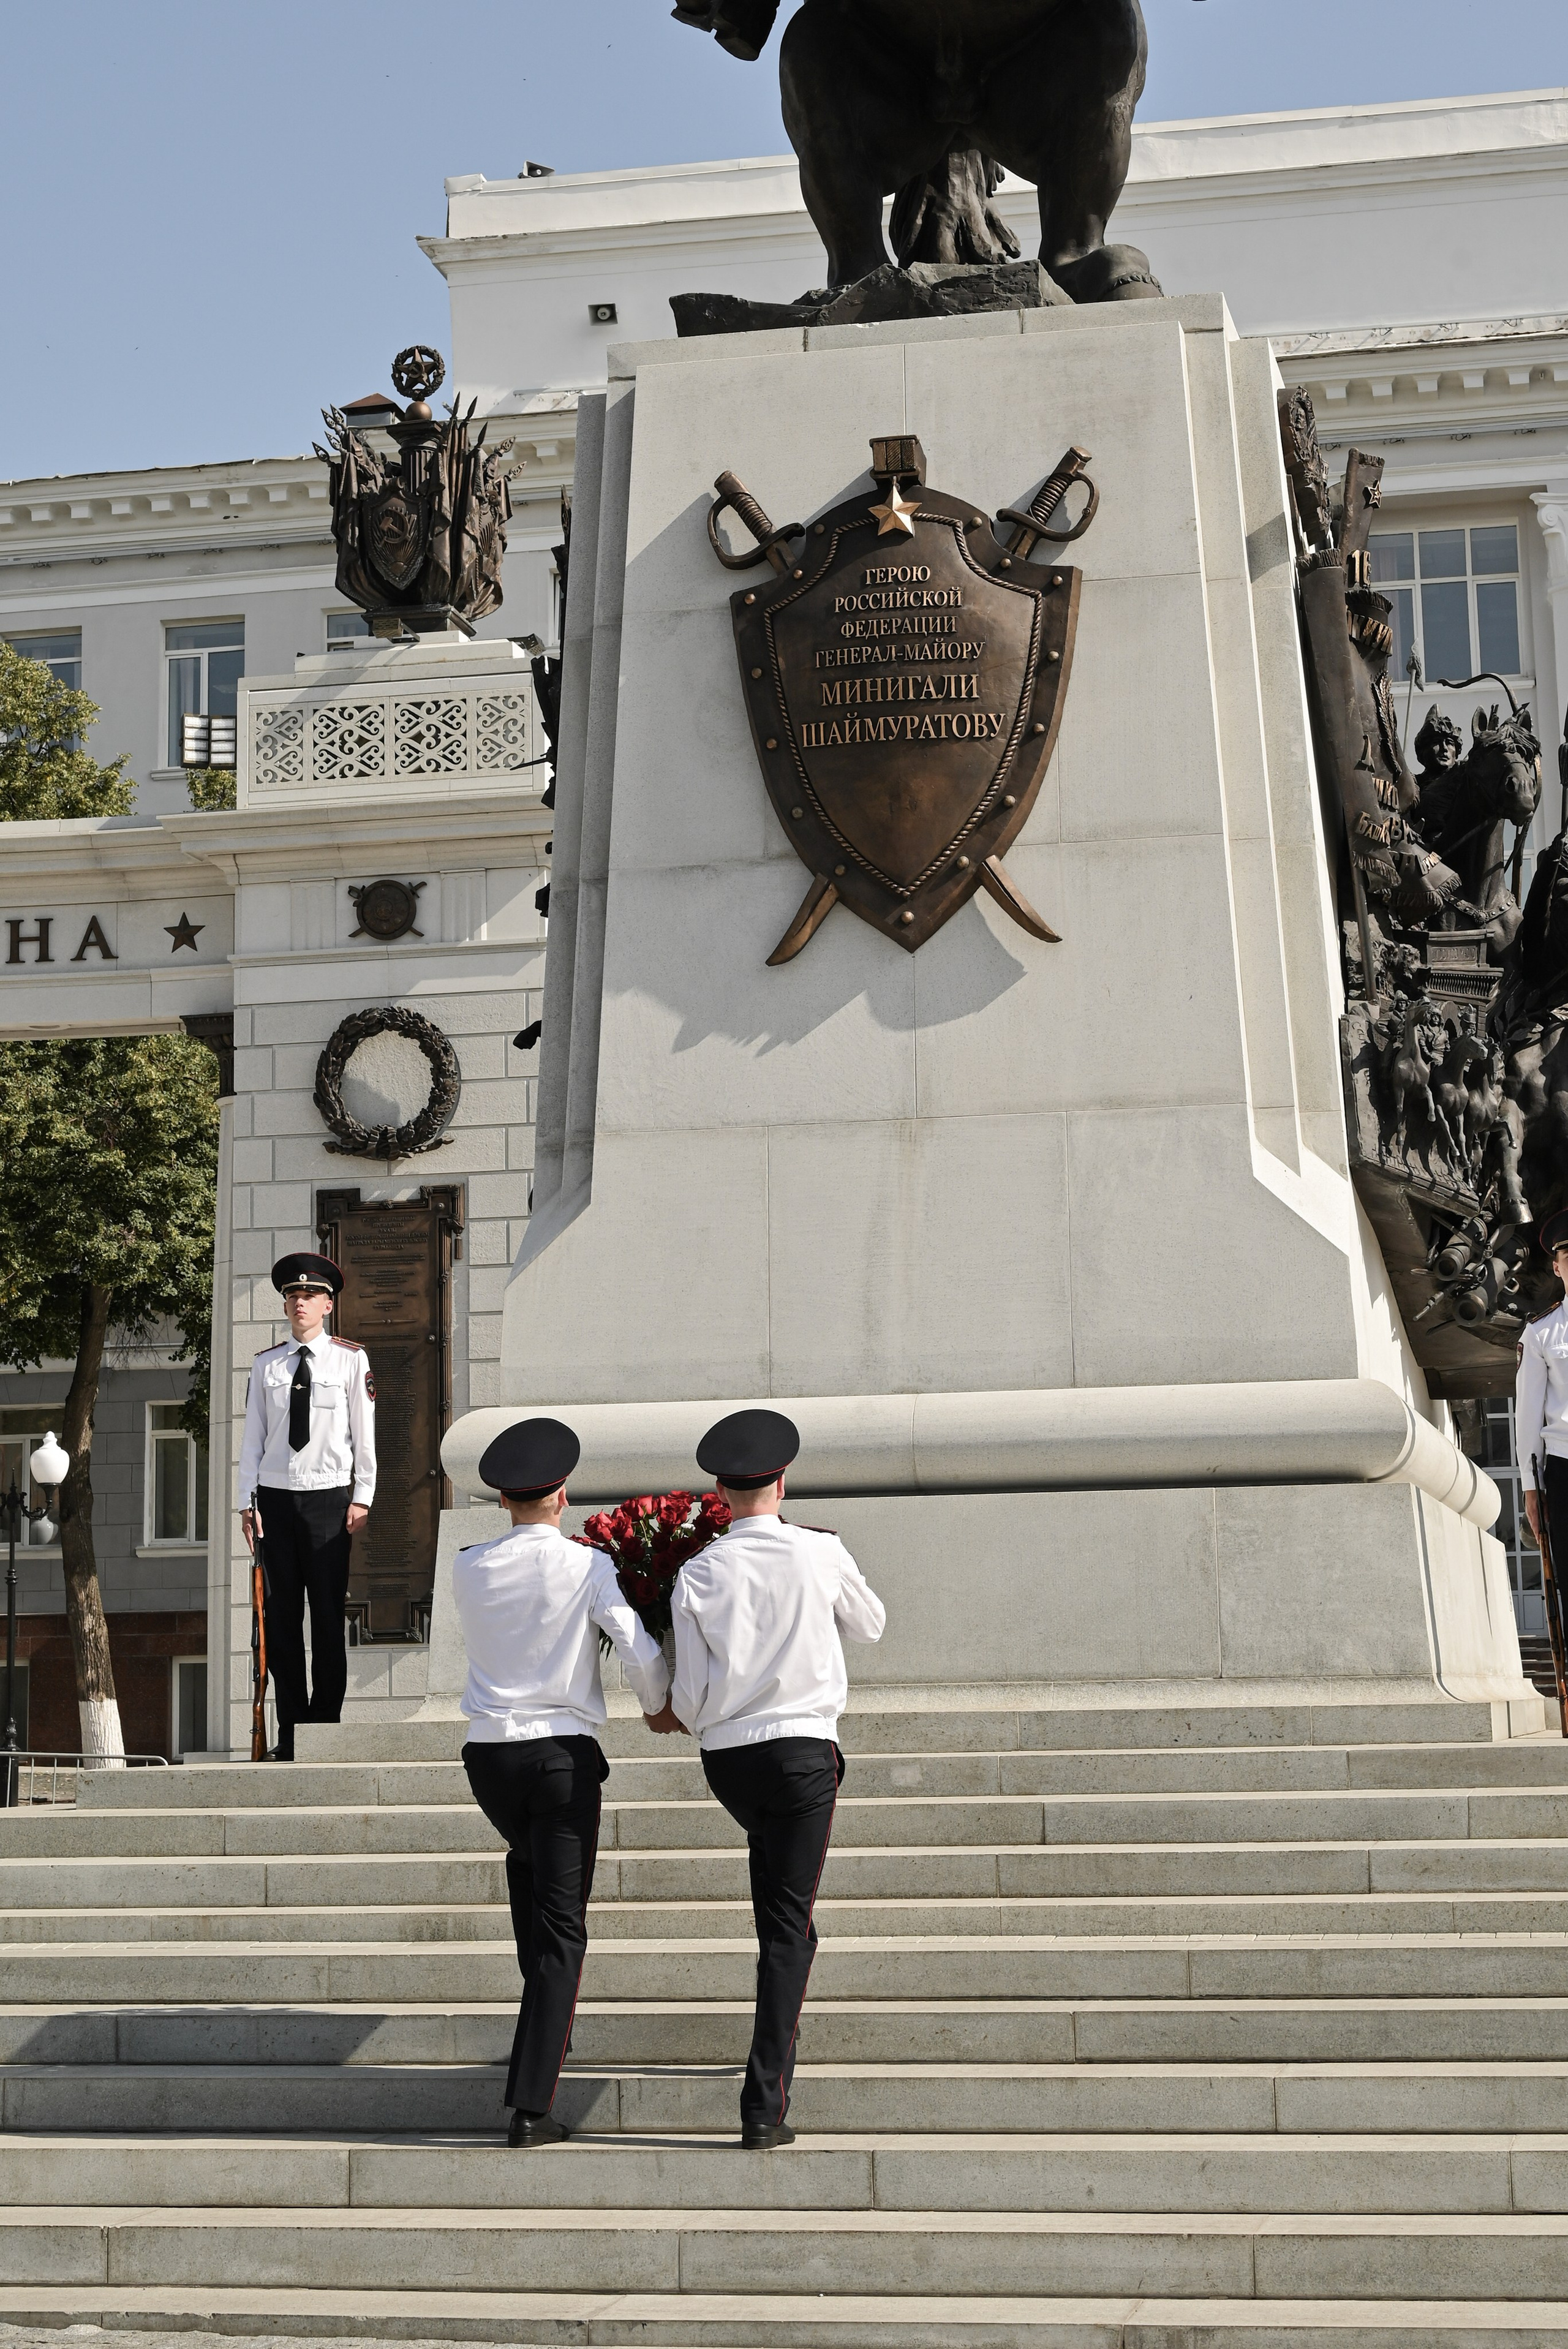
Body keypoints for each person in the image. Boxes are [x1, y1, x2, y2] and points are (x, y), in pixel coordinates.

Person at [662, 1406, 885, 2149]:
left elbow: (688, 1697)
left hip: (729, 1759)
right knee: (788, 1928)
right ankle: (764, 2105)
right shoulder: (818, 1551)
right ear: (782, 1482)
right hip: (798, 1753)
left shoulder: (697, 1570)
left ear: (721, 1490)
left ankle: (771, 2052)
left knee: (783, 1913)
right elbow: (871, 1624)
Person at [453, 1416, 673, 2149]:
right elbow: (635, 1646)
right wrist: (660, 1705)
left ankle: (543, 2031)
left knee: (534, 1895)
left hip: (488, 1758)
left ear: (506, 1498)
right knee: (561, 1932)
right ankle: (531, 2104)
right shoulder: (583, 1564)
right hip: (557, 1758)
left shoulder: (468, 1564)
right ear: (561, 1495)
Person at [238, 1252, 375, 1762]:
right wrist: (245, 1505)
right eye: (292, 1295)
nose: (299, 1302)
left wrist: (363, 1495)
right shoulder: (266, 1364)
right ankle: (292, 1729)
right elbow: (252, 1440)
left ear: (328, 1304)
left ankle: (325, 1725)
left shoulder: (349, 1359)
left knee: (325, 1618)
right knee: (281, 1620)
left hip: (329, 1498)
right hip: (274, 1499)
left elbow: (364, 1435)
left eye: (309, 1295)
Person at [1520, 1212, 1568, 1583]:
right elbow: (1528, 1415)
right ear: (1556, 1267)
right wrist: (1532, 1489)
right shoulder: (1541, 1334)